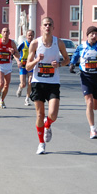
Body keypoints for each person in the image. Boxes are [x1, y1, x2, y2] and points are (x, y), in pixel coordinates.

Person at [26, 17, 70, 155]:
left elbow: (67, 60)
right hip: (38, 82)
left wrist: (60, 64)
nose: (47, 27)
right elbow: (27, 66)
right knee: (39, 114)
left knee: (53, 114)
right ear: (41, 27)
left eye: (50, 24)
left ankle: (48, 124)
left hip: (53, 82)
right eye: (45, 24)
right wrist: (37, 60)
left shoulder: (59, 43)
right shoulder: (35, 43)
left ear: (53, 27)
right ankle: (41, 143)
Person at [70, 26, 97, 139]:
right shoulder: (82, 47)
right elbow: (75, 55)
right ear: (87, 35)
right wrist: (72, 64)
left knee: (95, 106)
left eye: (96, 34)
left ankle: (92, 124)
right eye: (92, 33)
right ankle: (92, 129)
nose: (94, 36)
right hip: (85, 76)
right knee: (89, 102)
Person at [0, 27, 19, 109]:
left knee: (6, 85)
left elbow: (18, 54)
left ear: (9, 33)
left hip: (8, 64)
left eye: (7, 32)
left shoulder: (12, 43)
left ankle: (2, 101)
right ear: (1, 33)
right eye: (4, 32)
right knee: (1, 82)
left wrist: (13, 52)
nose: (5, 33)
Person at [16, 30, 35, 106]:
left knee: (30, 82)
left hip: (30, 65)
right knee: (23, 84)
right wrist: (18, 61)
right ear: (26, 36)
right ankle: (20, 88)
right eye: (29, 35)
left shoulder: (35, 44)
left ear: (33, 36)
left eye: (31, 35)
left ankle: (27, 99)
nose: (30, 37)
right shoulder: (22, 44)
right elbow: (16, 53)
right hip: (23, 66)